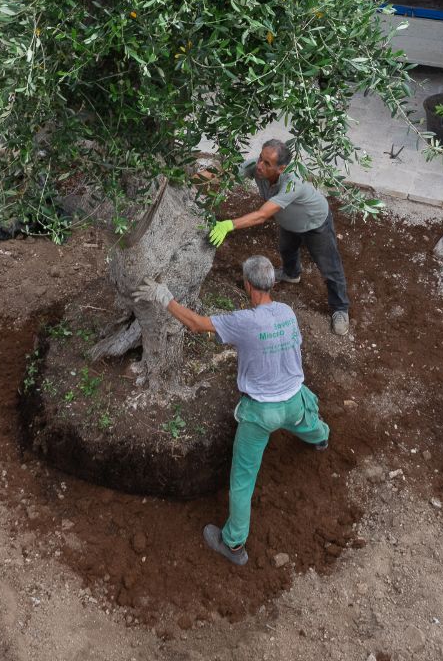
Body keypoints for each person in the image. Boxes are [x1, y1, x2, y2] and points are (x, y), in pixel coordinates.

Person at [135, 255, 330, 566]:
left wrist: (164, 297)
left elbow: (196, 324)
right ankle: (321, 438)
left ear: (247, 285)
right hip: (295, 400)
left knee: (242, 480)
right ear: (272, 283)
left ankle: (233, 543)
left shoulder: (245, 321)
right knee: (308, 423)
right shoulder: (287, 312)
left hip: (261, 414)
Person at [208, 138, 350, 336]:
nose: (259, 165)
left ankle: (340, 308)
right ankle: (291, 274)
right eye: (260, 158)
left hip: (315, 223)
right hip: (288, 221)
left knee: (330, 268)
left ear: (281, 168)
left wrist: (228, 225)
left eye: (267, 163)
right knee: (286, 248)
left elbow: (262, 215)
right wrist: (190, 179)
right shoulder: (256, 167)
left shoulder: (293, 182)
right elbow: (223, 175)